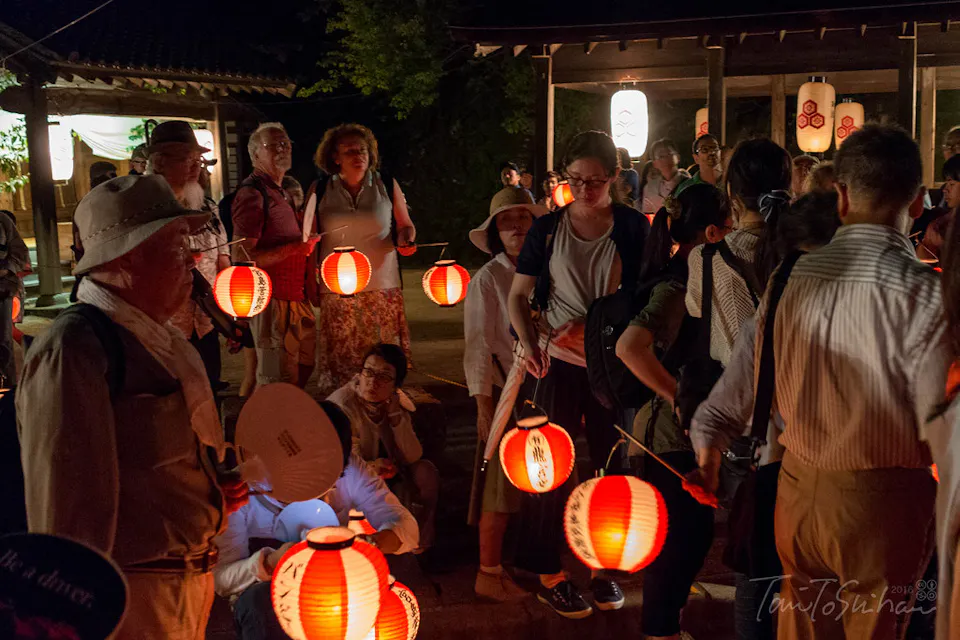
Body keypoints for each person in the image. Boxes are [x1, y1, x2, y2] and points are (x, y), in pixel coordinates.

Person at [704, 125, 951, 639]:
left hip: (797, 490)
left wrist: (709, 446)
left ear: (840, 192)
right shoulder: (923, 293)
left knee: (803, 623)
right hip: (881, 497)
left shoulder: (791, 274)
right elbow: (939, 423)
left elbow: (745, 380)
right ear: (916, 195)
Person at [17, 175, 248, 638]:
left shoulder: (159, 341)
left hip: (183, 589)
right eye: (179, 245)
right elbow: (67, 516)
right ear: (128, 256)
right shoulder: (76, 349)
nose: (196, 259)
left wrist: (204, 492)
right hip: (130, 603)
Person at [685, 190, 840, 640]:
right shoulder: (770, 320)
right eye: (804, 267)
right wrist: (707, 468)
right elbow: (716, 415)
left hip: (812, 494)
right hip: (791, 492)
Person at [508, 130, 650, 619]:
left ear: (614, 177)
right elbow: (517, 296)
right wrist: (529, 345)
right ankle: (549, 569)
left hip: (611, 365)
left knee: (608, 463)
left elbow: (648, 294)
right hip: (555, 360)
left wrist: (594, 324)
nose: (585, 190)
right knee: (547, 470)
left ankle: (602, 566)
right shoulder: (548, 228)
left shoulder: (632, 227)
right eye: (575, 180)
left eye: (594, 181)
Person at [615, 184, 730, 640]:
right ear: (710, 231)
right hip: (663, 441)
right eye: (729, 225)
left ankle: (668, 628)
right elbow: (629, 347)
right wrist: (678, 395)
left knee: (691, 539)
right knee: (676, 546)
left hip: (675, 439)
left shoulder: (696, 278)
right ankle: (660, 632)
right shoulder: (678, 285)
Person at [214, 400, 419, 640]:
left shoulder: (351, 469)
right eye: (308, 473)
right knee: (261, 606)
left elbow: (406, 526)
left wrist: (370, 544)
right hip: (267, 597)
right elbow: (222, 580)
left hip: (334, 586)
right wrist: (270, 562)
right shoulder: (243, 487)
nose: (319, 486)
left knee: (384, 595)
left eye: (329, 476)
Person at [464, 187, 546, 601]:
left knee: (540, 478)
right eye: (506, 220)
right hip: (504, 389)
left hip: (544, 387)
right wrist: (483, 405)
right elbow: (478, 344)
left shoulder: (546, 269)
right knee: (498, 485)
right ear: (496, 230)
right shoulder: (488, 279)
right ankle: (488, 571)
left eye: (524, 218)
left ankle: (534, 562)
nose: (516, 227)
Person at [308, 123, 416, 394]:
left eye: (363, 150)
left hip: (382, 291)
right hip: (338, 293)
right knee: (344, 368)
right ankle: (346, 426)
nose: (358, 155)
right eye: (350, 151)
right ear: (335, 157)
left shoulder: (386, 184)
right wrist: (310, 280)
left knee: (381, 366)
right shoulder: (320, 188)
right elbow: (307, 238)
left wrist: (406, 239)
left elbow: (405, 224)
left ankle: (385, 421)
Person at [233, 123, 320, 390]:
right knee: (275, 379)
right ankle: (267, 429)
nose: (283, 148)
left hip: (296, 299)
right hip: (272, 302)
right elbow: (243, 255)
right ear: (255, 154)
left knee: (302, 367)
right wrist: (296, 249)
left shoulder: (280, 192)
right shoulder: (253, 194)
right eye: (274, 145)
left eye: (286, 143)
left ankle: (290, 424)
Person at [146, 120, 232, 391]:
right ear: (160, 162)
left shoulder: (208, 208)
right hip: (165, 324)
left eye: (199, 159)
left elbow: (223, 261)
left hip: (206, 320)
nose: (197, 167)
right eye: (187, 159)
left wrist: (230, 317)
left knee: (210, 390)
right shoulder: (145, 208)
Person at [328, 344, 438, 553]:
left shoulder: (394, 403)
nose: (373, 382)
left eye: (384, 376)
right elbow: (346, 462)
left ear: (396, 384)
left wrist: (396, 416)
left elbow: (414, 455)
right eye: (368, 372)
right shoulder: (344, 406)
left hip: (389, 470)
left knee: (426, 472)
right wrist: (372, 467)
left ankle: (420, 543)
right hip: (356, 476)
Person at [0, 208, 29, 536]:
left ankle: (7, 391)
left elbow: (18, 252)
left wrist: (5, 269)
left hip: (1, 293)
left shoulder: (3, 222)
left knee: (4, 347)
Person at [916, 154, 960, 264]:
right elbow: (922, 262)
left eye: (951, 184)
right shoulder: (940, 226)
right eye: (946, 183)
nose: (945, 189)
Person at [642, 139, 689, 218]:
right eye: (661, 156)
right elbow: (649, 216)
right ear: (654, 163)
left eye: (669, 154)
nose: (665, 159)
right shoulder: (650, 188)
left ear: (677, 157)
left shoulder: (689, 184)